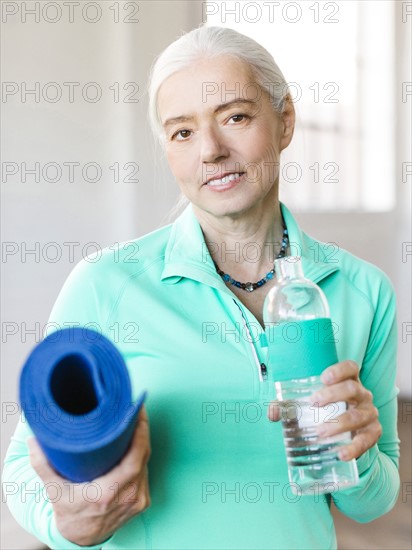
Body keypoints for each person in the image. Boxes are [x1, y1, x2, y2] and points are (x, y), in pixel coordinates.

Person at [2, 24, 400, 550]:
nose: (210, 150)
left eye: (235, 117)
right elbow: (21, 469)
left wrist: (361, 453)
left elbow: (372, 501)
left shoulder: (363, 291)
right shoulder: (107, 285)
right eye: (182, 132)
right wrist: (67, 525)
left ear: (284, 121)